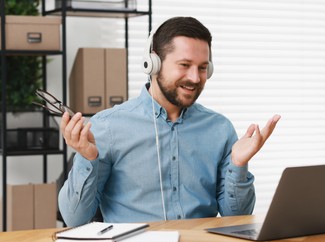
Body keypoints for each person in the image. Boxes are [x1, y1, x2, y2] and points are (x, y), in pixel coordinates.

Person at [59, 16, 281, 227]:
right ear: (153, 63)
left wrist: (238, 164)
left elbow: (238, 218)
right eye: (184, 65)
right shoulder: (107, 127)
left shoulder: (220, 129)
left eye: (203, 68)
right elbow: (74, 220)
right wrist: (87, 159)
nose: (195, 78)